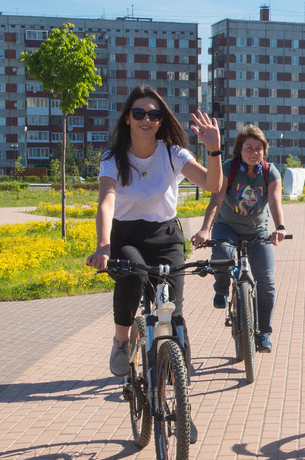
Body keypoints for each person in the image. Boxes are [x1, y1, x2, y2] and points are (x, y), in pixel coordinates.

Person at [86, 86, 224, 378]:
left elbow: (212, 185)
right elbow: (106, 201)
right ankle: (122, 342)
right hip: (126, 237)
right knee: (132, 277)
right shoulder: (113, 158)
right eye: (139, 114)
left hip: (166, 237)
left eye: (154, 114)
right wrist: (103, 245)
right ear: (127, 118)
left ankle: (174, 360)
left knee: (173, 308)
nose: (146, 120)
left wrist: (214, 149)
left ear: (161, 120)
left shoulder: (173, 153)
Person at [190, 124, 288, 353]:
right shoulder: (228, 168)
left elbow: (274, 201)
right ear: (240, 151)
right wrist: (205, 230)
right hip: (227, 228)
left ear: (264, 150)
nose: (253, 152)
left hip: (257, 231)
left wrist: (280, 227)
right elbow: (215, 202)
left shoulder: (270, 171)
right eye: (248, 148)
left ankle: (263, 333)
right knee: (222, 254)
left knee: (266, 282)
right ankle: (222, 289)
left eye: (258, 148)